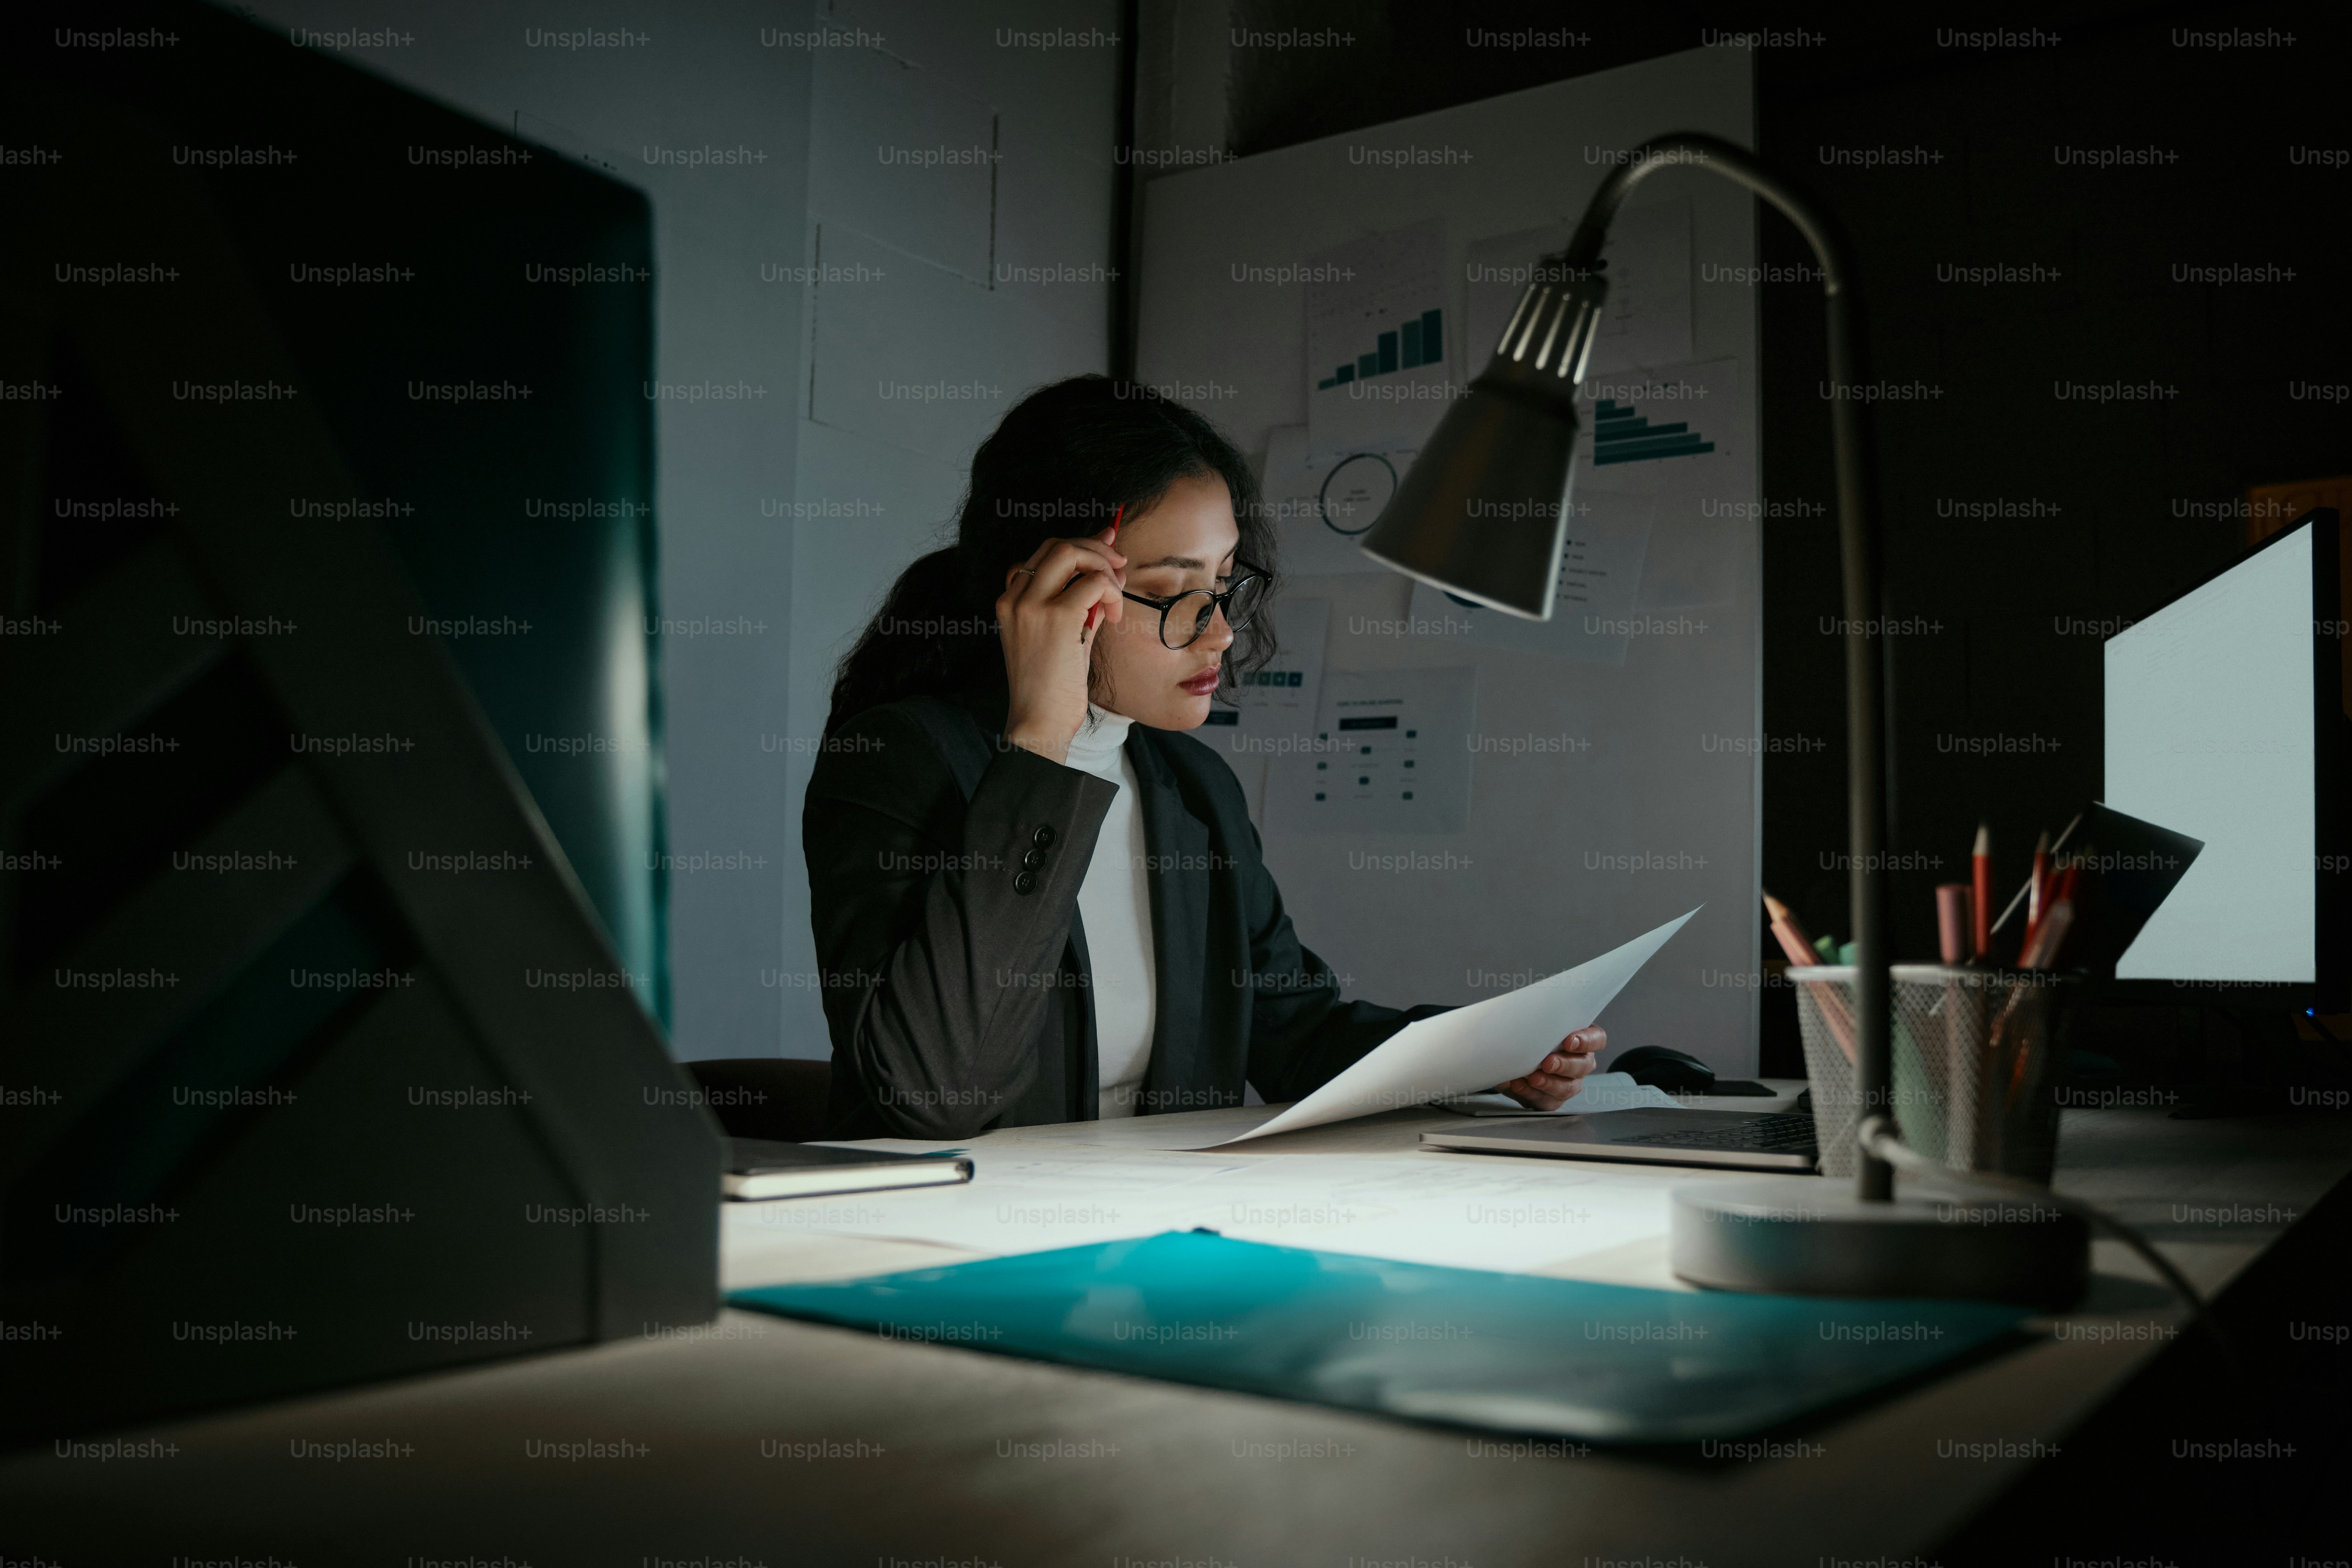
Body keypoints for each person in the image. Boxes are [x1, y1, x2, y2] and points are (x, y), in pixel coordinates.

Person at [804, 376, 1604, 1139]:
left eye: (1223, 585)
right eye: (1175, 589)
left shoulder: (1192, 787)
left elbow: (1294, 1034)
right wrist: (1044, 747)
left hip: (1149, 1234)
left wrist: (1482, 1054)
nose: (1219, 630)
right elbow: (933, 1093)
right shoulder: (896, 756)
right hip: (950, 1247)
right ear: (1048, 587)